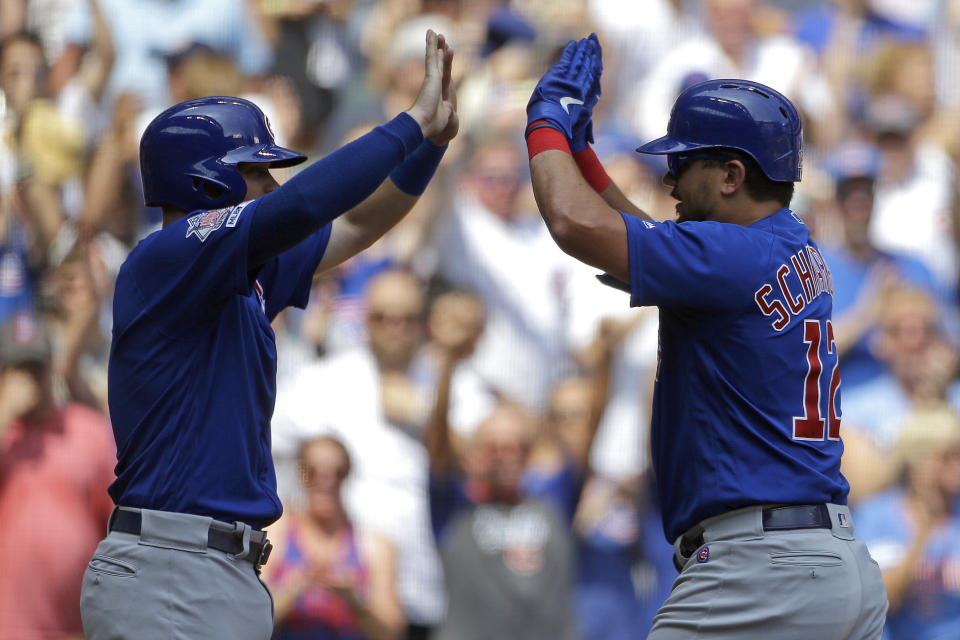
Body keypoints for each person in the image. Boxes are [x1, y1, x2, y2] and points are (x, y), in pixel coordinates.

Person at [78, 29, 458, 640]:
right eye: (258, 171)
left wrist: (431, 143)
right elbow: (305, 207)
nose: (273, 185)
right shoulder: (165, 258)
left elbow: (357, 224)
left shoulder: (241, 273)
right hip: (171, 568)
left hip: (216, 570)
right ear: (209, 185)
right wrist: (408, 123)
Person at [524, 34, 887, 638]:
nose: (669, 182)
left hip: (759, 573)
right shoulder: (788, 244)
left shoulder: (733, 256)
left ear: (730, 174)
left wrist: (546, 119)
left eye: (682, 164)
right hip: (834, 563)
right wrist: (584, 157)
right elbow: (651, 243)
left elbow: (571, 222)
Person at [0, 310, 116, 639]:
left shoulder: (85, 429)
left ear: (51, 369)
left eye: (35, 368)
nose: (28, 380)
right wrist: (6, 411)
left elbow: (113, 526)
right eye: (18, 369)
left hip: (74, 629)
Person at [263, 435, 405, 640]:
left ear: (348, 475)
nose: (326, 481)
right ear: (300, 474)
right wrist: (296, 586)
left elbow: (392, 633)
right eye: (312, 472)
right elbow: (249, 620)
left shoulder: (374, 545)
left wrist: (355, 602)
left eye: (337, 473)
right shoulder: (277, 534)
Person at [853, 403, 960, 640]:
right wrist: (924, 533)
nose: (957, 467)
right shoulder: (878, 515)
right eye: (947, 457)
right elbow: (882, 600)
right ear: (917, 462)